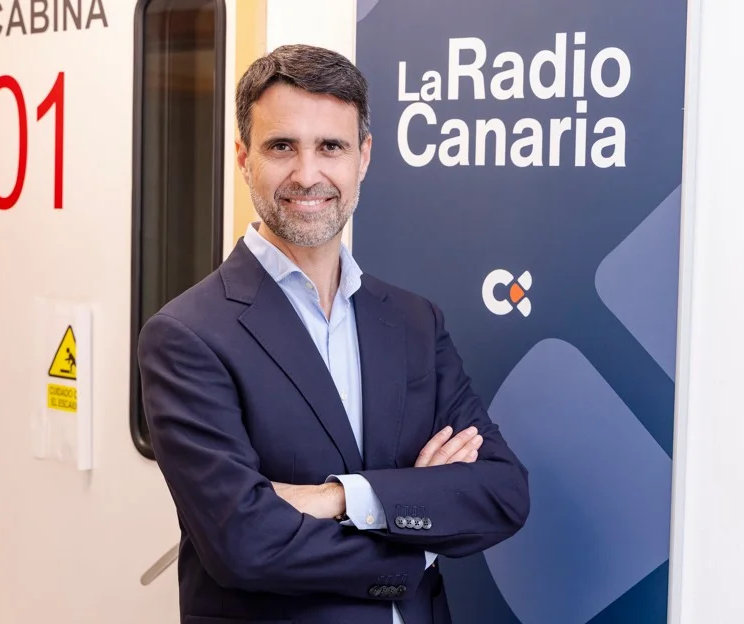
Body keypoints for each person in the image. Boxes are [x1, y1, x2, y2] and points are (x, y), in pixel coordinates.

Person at [137, 43, 530, 624]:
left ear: (363, 157)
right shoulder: (187, 336)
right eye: (281, 147)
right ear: (243, 158)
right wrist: (417, 534)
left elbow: (501, 492)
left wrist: (339, 497)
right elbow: (243, 544)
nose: (307, 174)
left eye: (331, 147)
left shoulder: (414, 322)